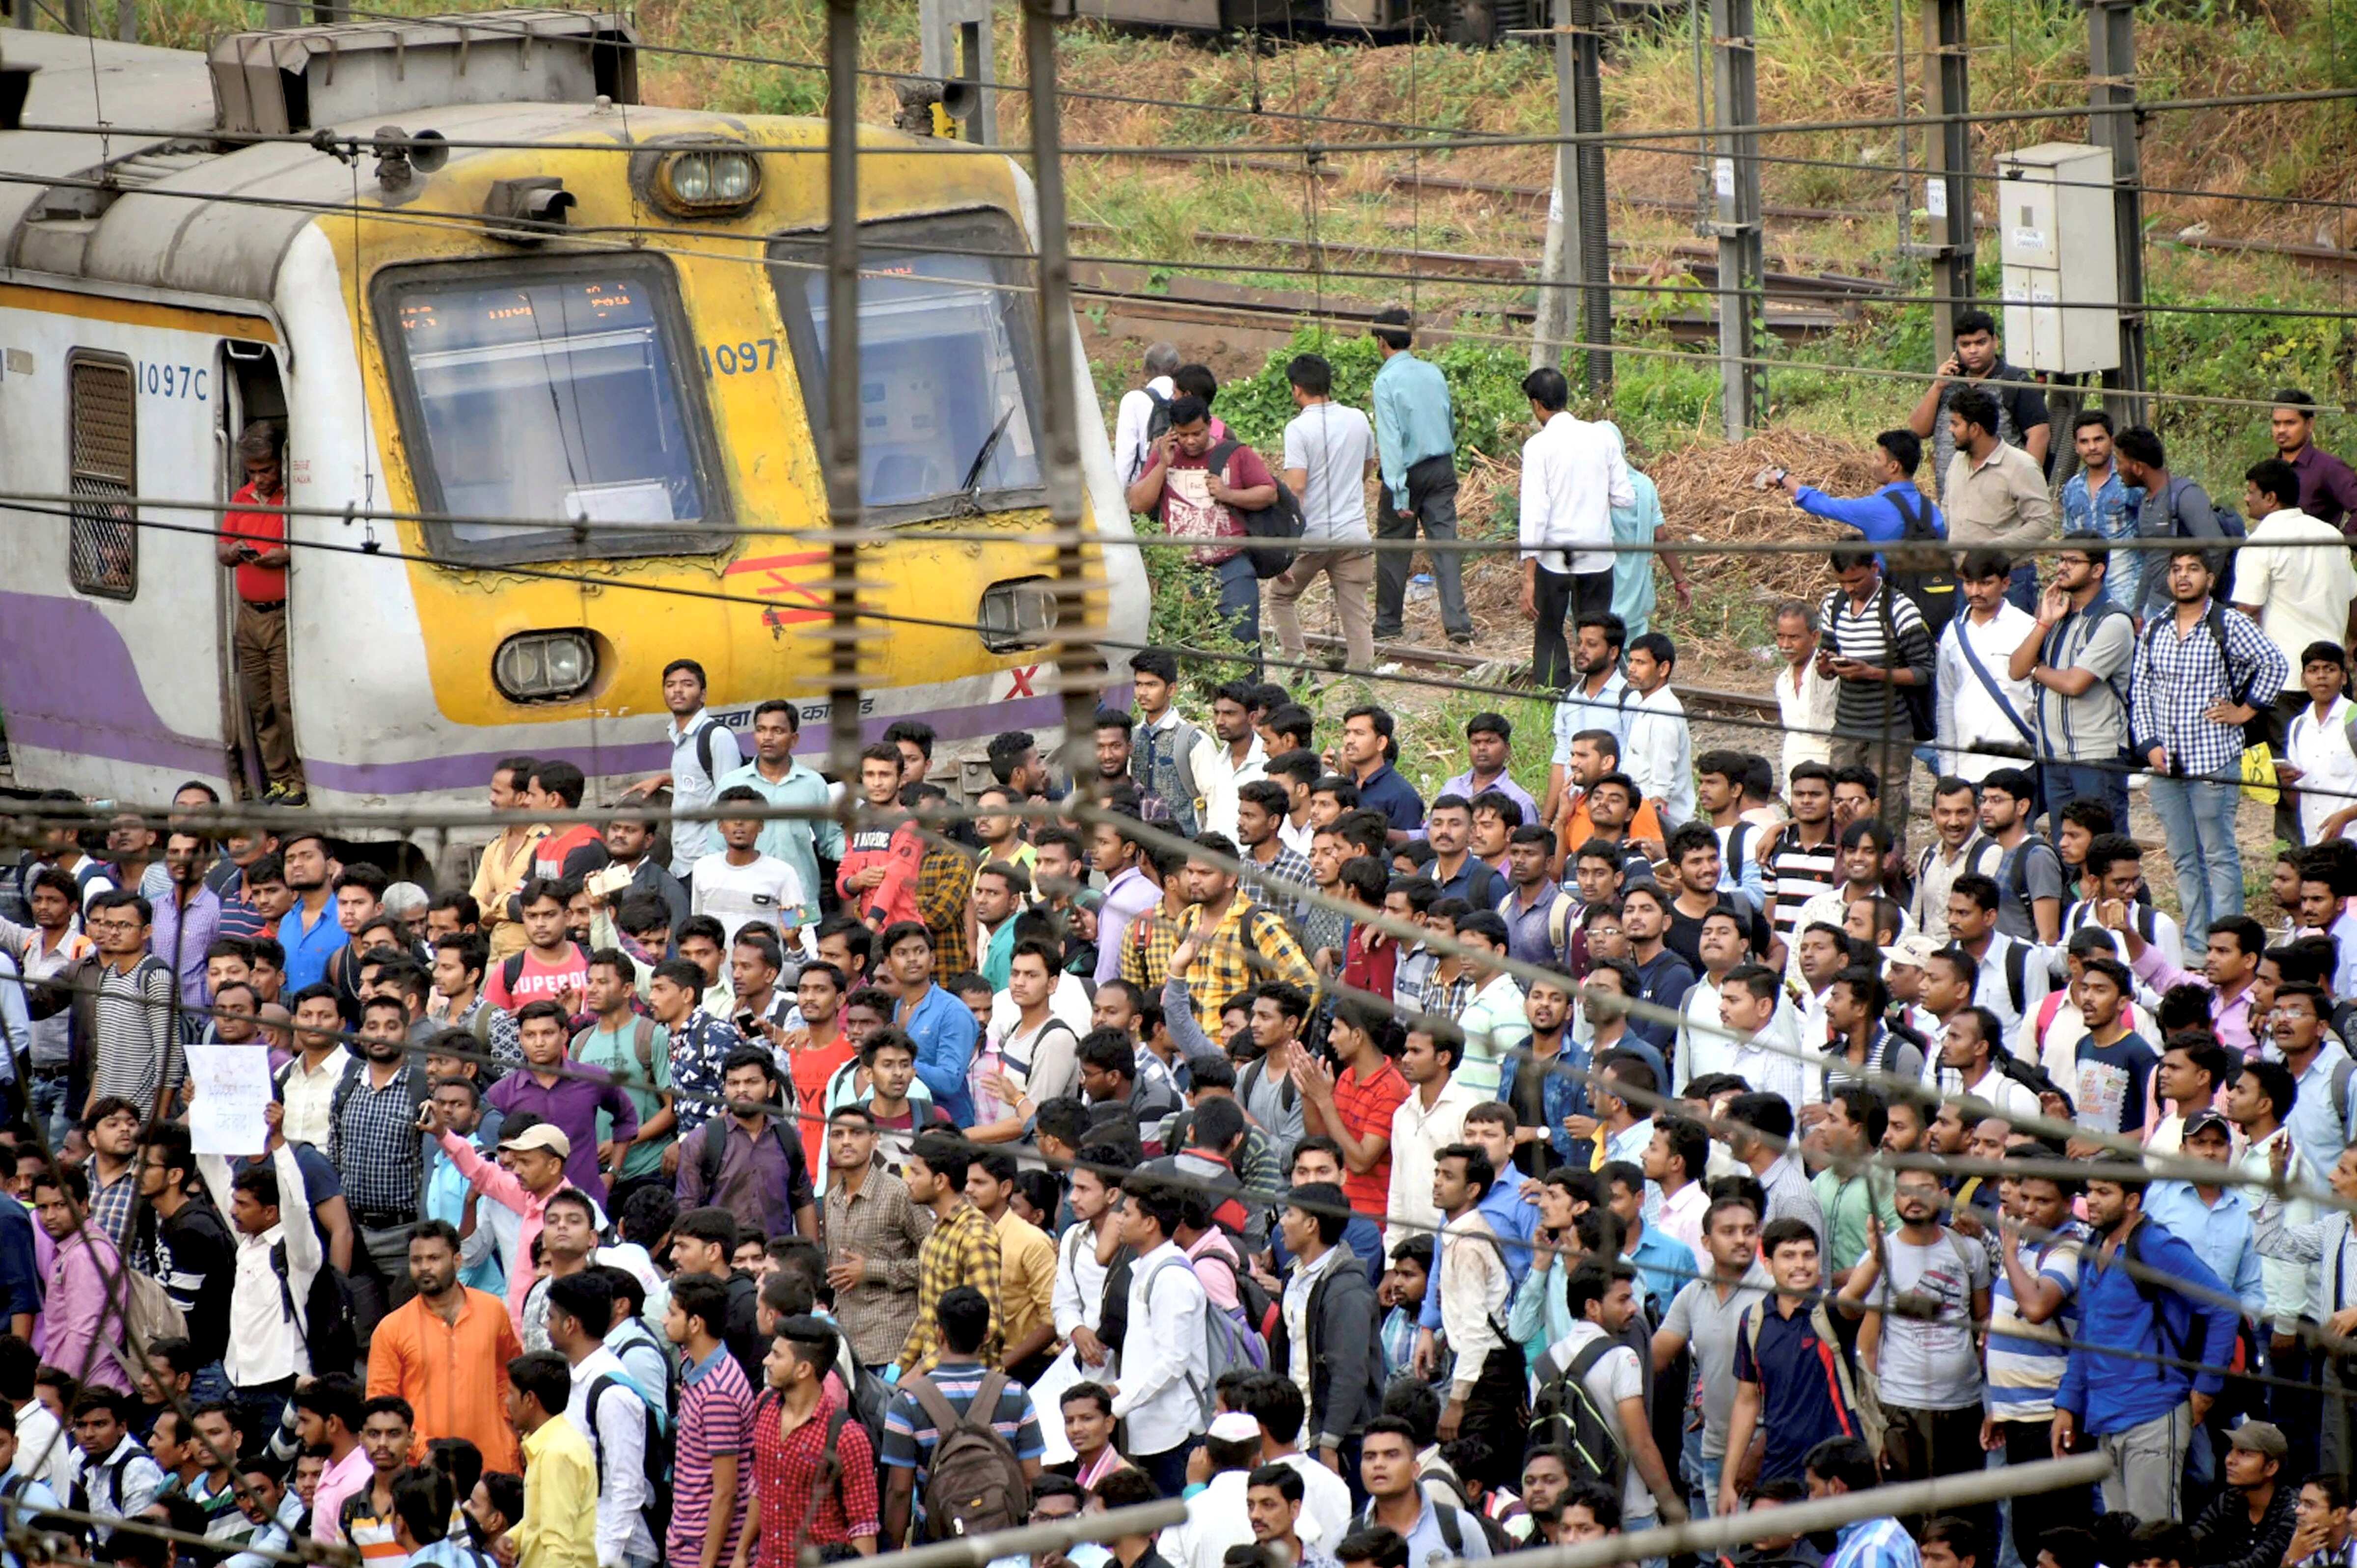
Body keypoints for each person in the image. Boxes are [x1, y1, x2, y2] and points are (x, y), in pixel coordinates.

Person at [2055, 1154, 2242, 1522]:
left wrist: (2206, 1388)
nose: (2091, 1200)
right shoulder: (2092, 1247)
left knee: (2153, 1541)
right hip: (2103, 1416)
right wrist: (2067, 1404)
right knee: (2121, 1540)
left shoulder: (2156, 1245)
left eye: (2104, 1192)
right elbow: (2086, 1336)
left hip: (2153, 1412)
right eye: (2090, 1190)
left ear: (2132, 1200)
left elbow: (2224, 1306)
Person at [2133, 547, 2287, 945]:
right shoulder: (2156, 627)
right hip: (2166, 766)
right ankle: (2198, 944)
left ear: (2210, 579)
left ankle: (2230, 943)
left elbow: (2274, 663)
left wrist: (2245, 710)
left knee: (2219, 854)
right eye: (2176, 569)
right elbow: (2142, 688)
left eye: (2193, 569)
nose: (2183, 576)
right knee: (2184, 857)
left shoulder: (2229, 623)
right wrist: (2149, 744)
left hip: (2214, 760)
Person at [2237, 457, 2357, 835]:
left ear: (2270, 498)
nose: (2246, 500)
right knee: (2342, 772)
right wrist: (2350, 645)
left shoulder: (2261, 542)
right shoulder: (2332, 536)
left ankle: (2300, 862)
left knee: (2292, 777)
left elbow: (2247, 611)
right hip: (2335, 673)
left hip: (2288, 679)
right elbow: (2354, 601)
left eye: (2251, 493)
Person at [880, 1284, 1043, 1545]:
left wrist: (892, 1551)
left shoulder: (907, 1402)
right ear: (987, 1335)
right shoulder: (1015, 1394)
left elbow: (899, 1491)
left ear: (940, 1333)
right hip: (1004, 1537)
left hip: (939, 1540)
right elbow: (1033, 1478)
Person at [1718, 1218, 1862, 1510]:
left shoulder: (1830, 1311)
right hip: (1779, 1468)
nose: (1801, 1264)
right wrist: (1727, 1482)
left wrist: (1876, 1258)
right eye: (1789, 1256)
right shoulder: (1754, 1320)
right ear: (1768, 1264)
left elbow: (1856, 1293)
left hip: (1835, 1470)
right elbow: (1747, 1402)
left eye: (1808, 1255)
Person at [365, 1220, 523, 1476]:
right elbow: (382, 1406)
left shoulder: (492, 1311)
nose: (425, 1268)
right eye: (417, 1260)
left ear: (457, 1260)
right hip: (427, 1473)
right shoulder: (391, 1329)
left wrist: (509, 1430)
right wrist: (424, 1451)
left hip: (496, 1467)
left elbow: (510, 1376)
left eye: (434, 1258)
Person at [1653, 1190, 1773, 1521]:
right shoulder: (1695, 1293)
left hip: (1766, 1451)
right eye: (1729, 1231)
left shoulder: (1774, 1294)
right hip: (1714, 1447)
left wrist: (1759, 1450)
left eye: (1749, 1231)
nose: (1741, 1240)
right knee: (1720, 1556)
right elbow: (1656, 1357)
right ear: (1706, 1242)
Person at [1126, 393, 1279, 650]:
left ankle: (1247, 690)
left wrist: (1229, 495)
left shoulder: (1235, 454)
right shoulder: (1163, 454)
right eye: (1183, 435)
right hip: (1182, 572)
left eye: (1197, 433)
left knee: (1242, 638)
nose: (1190, 441)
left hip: (1232, 566)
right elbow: (1138, 504)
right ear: (1174, 431)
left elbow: (1269, 492)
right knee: (1191, 645)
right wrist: (1163, 464)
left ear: (1209, 425)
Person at [1517, 366, 1636, 687]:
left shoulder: (1539, 447)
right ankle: (1599, 693)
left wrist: (1528, 577)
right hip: (1598, 555)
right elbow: (1624, 497)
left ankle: (1552, 698)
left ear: (1538, 404)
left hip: (1555, 560)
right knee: (1595, 633)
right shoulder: (1603, 437)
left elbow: (1535, 514)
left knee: (1549, 631)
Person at [1772, 430, 1954, 635]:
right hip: (1936, 610)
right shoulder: (1932, 509)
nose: (1872, 463)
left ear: (1894, 466)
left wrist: (1784, 479)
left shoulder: (1876, 508)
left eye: (1878, 458)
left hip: (1894, 612)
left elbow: (1824, 505)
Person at [1267, 353, 1377, 674]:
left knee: (1280, 598)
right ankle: (1363, 688)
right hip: (1354, 534)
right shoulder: (1358, 418)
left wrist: (1284, 541)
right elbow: (1366, 468)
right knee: (1356, 615)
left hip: (1313, 536)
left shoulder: (1299, 428)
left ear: (1297, 389)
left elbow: (1297, 487)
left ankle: (1301, 671)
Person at [1368, 307, 1471, 648]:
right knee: (1445, 546)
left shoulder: (1385, 381)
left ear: (1382, 342)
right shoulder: (1433, 372)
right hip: (1441, 465)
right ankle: (1458, 624)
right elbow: (1449, 420)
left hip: (1408, 473)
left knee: (1395, 548)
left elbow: (1391, 440)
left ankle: (1387, 625)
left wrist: (1397, 489)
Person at [1816, 550, 1935, 839]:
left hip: (1891, 726)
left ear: (1875, 567)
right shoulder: (1833, 605)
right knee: (1841, 805)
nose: (1850, 588)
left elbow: (1925, 672)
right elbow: (1829, 657)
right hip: (1847, 724)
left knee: (1888, 809)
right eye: (1843, 582)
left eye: (1856, 580)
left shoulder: (1899, 608)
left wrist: (1873, 673)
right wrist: (1827, 667)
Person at [216, 421, 303, 803]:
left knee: (286, 702)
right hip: (248, 616)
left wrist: (282, 557)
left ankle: (301, 780)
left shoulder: (293, 500)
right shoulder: (241, 499)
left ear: (280, 463)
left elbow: (302, 549)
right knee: (260, 702)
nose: (261, 478)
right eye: (254, 471)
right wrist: (234, 552)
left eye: (266, 469)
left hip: (281, 615)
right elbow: (222, 550)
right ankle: (279, 778)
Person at [746, 1314, 879, 1565]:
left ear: (804, 1369)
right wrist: (742, 1554)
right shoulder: (763, 1409)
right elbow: (759, 1489)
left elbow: (863, 1527)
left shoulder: (846, 1437)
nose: (766, 1361)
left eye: (777, 1355)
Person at [1108, 1174, 1210, 1498]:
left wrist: (1120, 1405)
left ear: (1150, 1222)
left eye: (1127, 1213)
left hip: (1176, 1432)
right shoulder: (1148, 1270)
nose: (1119, 1220)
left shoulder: (1171, 1278)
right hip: (1154, 1428)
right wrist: (1116, 1389)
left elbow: (1174, 1361)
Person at [820, 1104, 933, 1370]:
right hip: (847, 1349)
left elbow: (937, 1262)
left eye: (856, 1133)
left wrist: (872, 1270)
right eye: (837, 1135)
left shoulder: (899, 1193)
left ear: (874, 1140)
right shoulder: (831, 1200)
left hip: (893, 1346)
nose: (846, 1141)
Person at [1910, 307, 2053, 496]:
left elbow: (2040, 436)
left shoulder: (2014, 382)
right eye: (1965, 344)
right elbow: (1918, 430)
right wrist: (1937, 386)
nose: (1973, 350)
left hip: (2001, 498)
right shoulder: (1948, 383)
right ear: (1957, 347)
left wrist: (2024, 487)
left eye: (1981, 342)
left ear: (1995, 341)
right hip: (1952, 498)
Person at [621, 659, 743, 880]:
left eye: (687, 684)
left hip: (709, 860)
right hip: (682, 861)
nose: (677, 690)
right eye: (670, 685)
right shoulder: (680, 737)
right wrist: (665, 779)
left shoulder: (717, 737)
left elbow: (731, 800)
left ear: (703, 694)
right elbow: (700, 782)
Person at [894, 1133, 1003, 1379]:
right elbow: (927, 1317)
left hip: (969, 1383)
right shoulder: (937, 1231)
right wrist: (897, 1371)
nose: (908, 1180)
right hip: (935, 1378)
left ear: (940, 1180)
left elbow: (985, 1325)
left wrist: (922, 1371)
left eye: (916, 1173)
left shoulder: (975, 1234)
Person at [1936, 551, 2039, 781]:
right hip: (1966, 764)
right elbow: (1946, 699)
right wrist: (1947, 768)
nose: (1975, 592)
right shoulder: (1952, 633)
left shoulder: (2026, 627)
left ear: (2005, 584)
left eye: (1985, 583)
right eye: (1969, 583)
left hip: (2018, 762)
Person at [502, 1352, 597, 1568]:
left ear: (529, 1400)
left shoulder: (557, 1453)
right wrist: (513, 1539)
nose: (506, 1402)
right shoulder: (550, 1444)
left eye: (510, 1394)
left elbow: (559, 1546)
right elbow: (540, 1519)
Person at [1350, 1417, 1491, 1563]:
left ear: (1415, 1469)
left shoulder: (1460, 1528)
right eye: (1370, 1457)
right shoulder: (1348, 1536)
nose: (1378, 1464)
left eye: (1391, 1455)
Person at [2187, 1421, 2299, 1568]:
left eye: (2244, 1454)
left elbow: (2260, 1563)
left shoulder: (2293, 1510)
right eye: (2231, 1451)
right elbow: (2193, 1539)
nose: (2230, 1460)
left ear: (2271, 1467)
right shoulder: (2228, 1501)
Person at [65, 1390, 164, 1544]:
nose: (89, 1434)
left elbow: (137, 1540)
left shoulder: (139, 1469)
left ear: (122, 1427)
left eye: (99, 1424)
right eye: (81, 1425)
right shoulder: (78, 1455)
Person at [1805, 1437, 1920, 1568]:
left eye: (1813, 1489)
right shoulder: (1874, 1534)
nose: (1810, 1499)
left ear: (1836, 1487)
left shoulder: (1871, 1551)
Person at [2271, 389, 2357, 533]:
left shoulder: (2328, 468)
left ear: (2310, 425)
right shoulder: (2270, 469)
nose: (2281, 430)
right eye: (2276, 423)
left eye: (2290, 423)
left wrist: (2339, 545)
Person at [1116, 343, 1183, 488]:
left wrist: (1118, 498)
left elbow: (1125, 458)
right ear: (1177, 368)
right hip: (1181, 483)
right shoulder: (1189, 394)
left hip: (1146, 486)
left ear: (1145, 370)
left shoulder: (1133, 400)